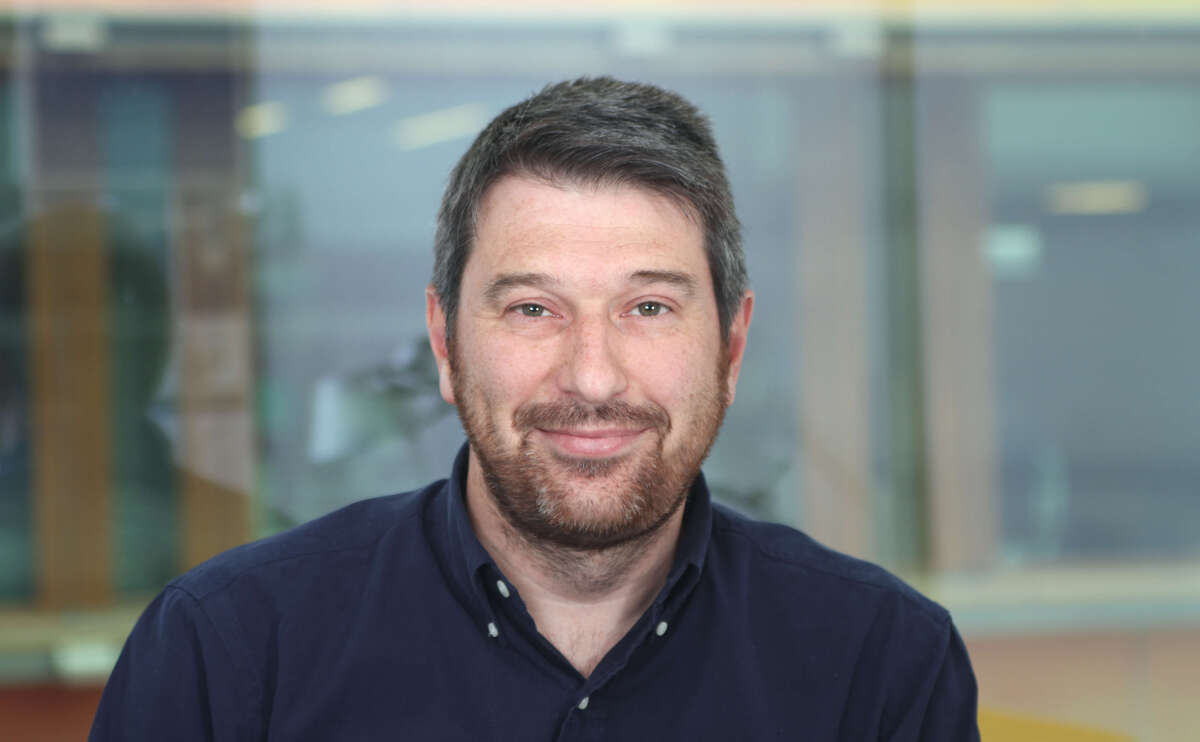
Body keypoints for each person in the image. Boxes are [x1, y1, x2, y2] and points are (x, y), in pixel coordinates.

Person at [91, 77, 979, 740]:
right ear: (444, 343)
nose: (592, 378)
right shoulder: (228, 651)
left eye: (649, 307)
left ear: (732, 346)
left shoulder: (883, 662)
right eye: (531, 309)